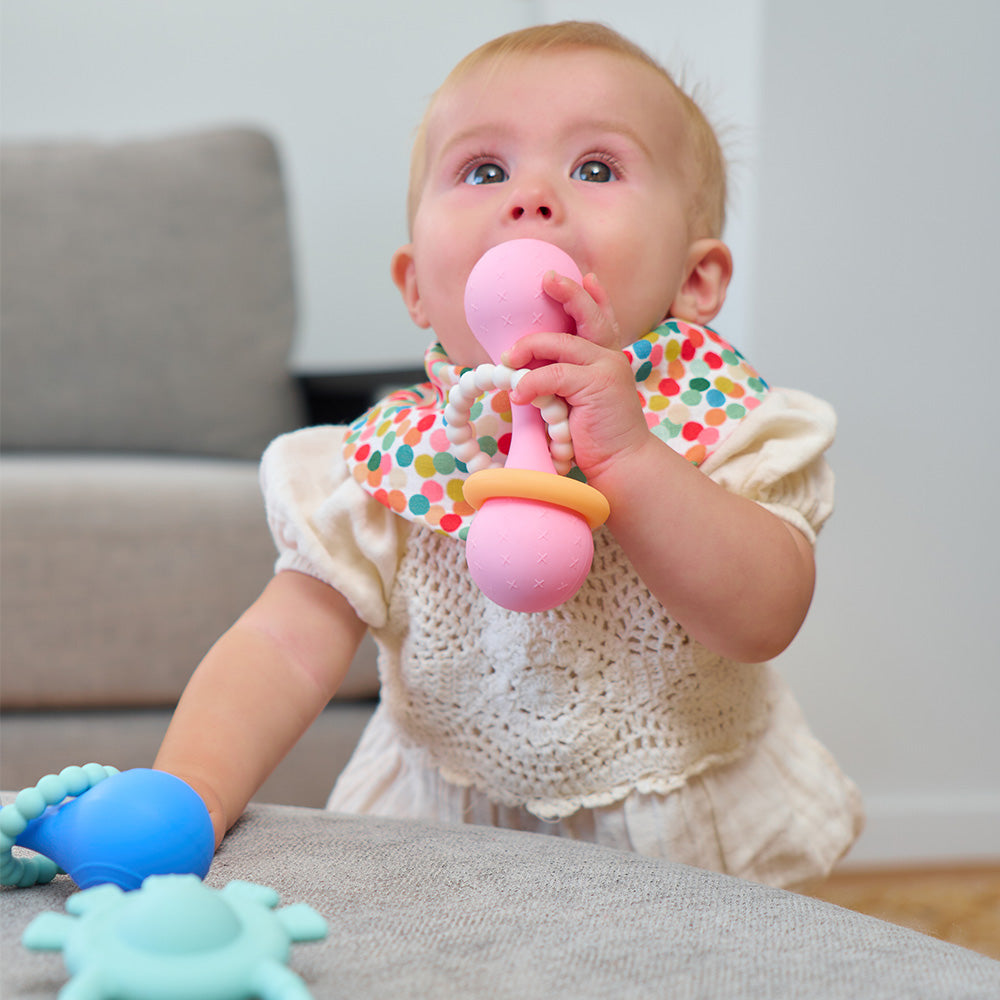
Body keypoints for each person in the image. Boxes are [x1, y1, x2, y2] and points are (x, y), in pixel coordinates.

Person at [155, 21, 863, 888]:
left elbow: (762, 619)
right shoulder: (387, 465)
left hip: (680, 853)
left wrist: (632, 457)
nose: (530, 198)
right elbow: (283, 645)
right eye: (484, 170)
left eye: (595, 168)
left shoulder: (725, 426)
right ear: (418, 284)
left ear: (696, 279)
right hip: (449, 840)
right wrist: (188, 792)